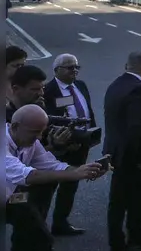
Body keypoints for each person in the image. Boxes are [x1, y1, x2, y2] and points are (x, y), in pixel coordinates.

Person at [5, 104, 106, 251]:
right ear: (15, 126)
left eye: (41, 132)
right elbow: (28, 175)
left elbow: (53, 165)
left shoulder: (29, 139)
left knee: (39, 239)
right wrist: (75, 174)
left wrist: (86, 171)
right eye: (35, 132)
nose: (39, 138)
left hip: (9, 197)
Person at [33, 53, 97, 236]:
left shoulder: (81, 86)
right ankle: (39, 229)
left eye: (76, 67)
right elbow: (48, 120)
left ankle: (61, 223)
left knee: (71, 185)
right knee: (49, 188)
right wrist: (65, 142)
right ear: (56, 70)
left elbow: (88, 111)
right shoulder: (48, 90)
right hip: (59, 146)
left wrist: (90, 135)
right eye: (70, 67)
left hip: (81, 144)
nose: (74, 71)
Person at [103, 50, 141, 251]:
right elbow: (138, 127)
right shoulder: (139, 91)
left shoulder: (116, 85)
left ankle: (136, 234)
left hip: (115, 150)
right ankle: (118, 245)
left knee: (133, 196)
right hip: (131, 155)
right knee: (123, 200)